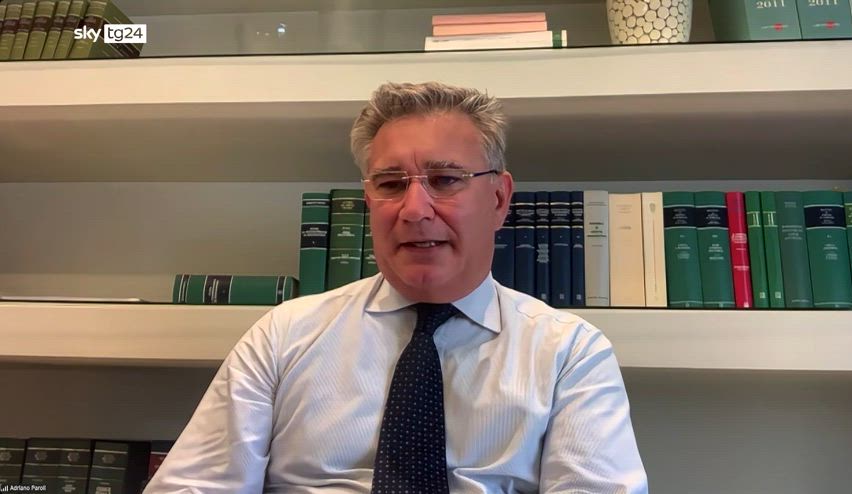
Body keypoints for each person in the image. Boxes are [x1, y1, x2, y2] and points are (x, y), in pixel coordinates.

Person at [144, 81, 648, 493]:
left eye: (445, 180)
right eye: (390, 184)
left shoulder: (569, 354)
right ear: (369, 201)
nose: (414, 209)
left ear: (499, 199)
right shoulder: (283, 337)